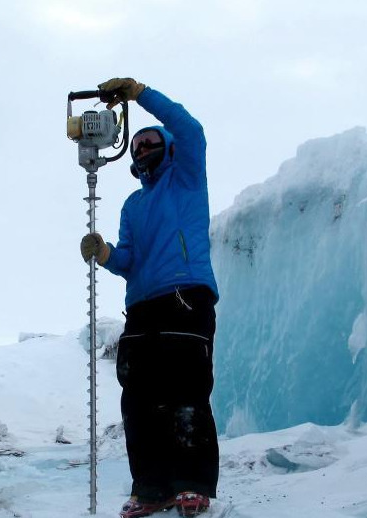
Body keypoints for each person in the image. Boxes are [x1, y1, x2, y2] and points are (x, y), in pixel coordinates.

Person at [80, 78, 220, 518]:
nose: (141, 149)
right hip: (141, 306)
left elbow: (190, 127)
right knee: (138, 398)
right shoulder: (132, 206)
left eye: (149, 141)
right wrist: (103, 254)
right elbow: (129, 261)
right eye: (136, 145)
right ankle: (151, 487)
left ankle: (191, 483)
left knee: (186, 392)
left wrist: (139, 94)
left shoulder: (187, 178)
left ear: (169, 146)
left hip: (185, 296)